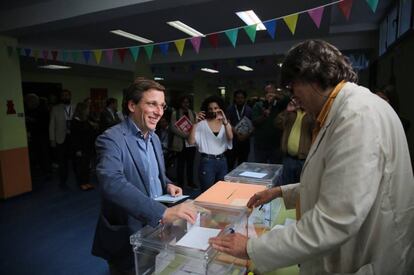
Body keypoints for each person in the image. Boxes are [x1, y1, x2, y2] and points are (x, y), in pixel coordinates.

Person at [209, 40, 414, 274]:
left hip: (367, 258)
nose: (294, 98)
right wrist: (281, 192)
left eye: (293, 88)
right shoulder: (352, 108)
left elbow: (335, 218)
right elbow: (339, 183)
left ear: (309, 77)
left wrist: (252, 248)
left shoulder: (357, 116)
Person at [91, 78, 198, 275]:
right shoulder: (111, 139)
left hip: (155, 230)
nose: (159, 112)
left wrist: (167, 184)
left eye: (162, 106)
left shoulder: (154, 137)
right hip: (128, 233)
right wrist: (163, 213)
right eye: (152, 104)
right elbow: (111, 182)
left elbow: (155, 174)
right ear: (132, 105)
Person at [188, 95, 233, 192]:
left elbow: (230, 137)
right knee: (207, 192)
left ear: (221, 108)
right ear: (206, 110)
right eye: (210, 109)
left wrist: (225, 122)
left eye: (216, 108)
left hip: (222, 161)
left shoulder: (225, 123)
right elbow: (191, 142)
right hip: (207, 161)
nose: (213, 110)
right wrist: (195, 124)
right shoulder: (201, 124)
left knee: (222, 191)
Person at [274, 98, 314, 185]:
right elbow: (278, 123)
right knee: (286, 187)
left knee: (302, 187)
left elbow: (315, 128)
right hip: (288, 158)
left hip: (304, 159)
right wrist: (287, 111)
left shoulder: (312, 113)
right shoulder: (291, 113)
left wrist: (309, 110)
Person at [252, 84, 289, 164]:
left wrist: (276, 96)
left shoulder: (280, 104)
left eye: (272, 92)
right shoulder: (258, 105)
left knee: (276, 168)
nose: (269, 94)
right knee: (260, 168)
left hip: (276, 144)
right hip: (261, 144)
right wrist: (264, 116)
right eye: (267, 92)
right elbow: (254, 122)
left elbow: (288, 100)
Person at [170, 95, 197, 188]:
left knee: (191, 164)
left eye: (187, 102)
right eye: (184, 102)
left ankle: (191, 182)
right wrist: (185, 135)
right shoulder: (175, 113)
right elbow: (173, 128)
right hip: (180, 143)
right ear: (180, 103)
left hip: (191, 144)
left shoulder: (193, 113)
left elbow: (195, 126)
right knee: (180, 165)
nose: (186, 104)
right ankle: (180, 183)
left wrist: (191, 135)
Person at [49, 89, 74, 187]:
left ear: (70, 96)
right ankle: (63, 181)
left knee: (75, 160)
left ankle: (80, 179)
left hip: (73, 137)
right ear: (61, 97)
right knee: (62, 161)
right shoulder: (55, 108)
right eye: (63, 95)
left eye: (67, 95)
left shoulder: (75, 107)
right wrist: (52, 139)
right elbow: (51, 125)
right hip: (60, 138)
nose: (65, 97)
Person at [225, 89, 253, 169]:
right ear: (234, 98)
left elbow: (253, 125)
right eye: (238, 98)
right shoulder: (230, 109)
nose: (240, 100)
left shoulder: (249, 110)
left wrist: (246, 135)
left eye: (242, 98)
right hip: (232, 141)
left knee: (243, 166)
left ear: (245, 99)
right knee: (230, 164)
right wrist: (237, 133)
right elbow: (227, 123)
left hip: (245, 141)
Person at [71, 102, 96, 191]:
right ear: (82, 110)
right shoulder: (75, 121)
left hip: (88, 146)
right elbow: (75, 137)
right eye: (87, 109)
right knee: (81, 167)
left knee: (87, 166)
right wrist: (78, 149)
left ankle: (87, 182)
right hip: (81, 148)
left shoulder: (86, 120)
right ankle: (82, 183)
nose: (88, 111)